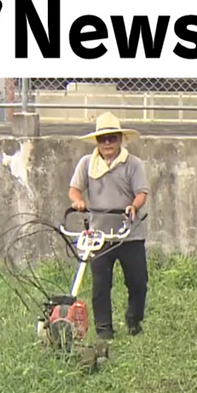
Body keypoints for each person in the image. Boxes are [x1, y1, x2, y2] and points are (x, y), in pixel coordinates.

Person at [68, 112, 151, 340]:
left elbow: (142, 193)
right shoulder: (87, 164)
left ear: (120, 139)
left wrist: (133, 206)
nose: (107, 143)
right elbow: (74, 189)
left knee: (137, 282)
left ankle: (134, 321)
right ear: (97, 142)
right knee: (101, 285)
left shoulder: (133, 164)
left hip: (129, 235)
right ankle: (104, 330)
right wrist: (78, 201)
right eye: (103, 139)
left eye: (112, 138)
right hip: (100, 235)